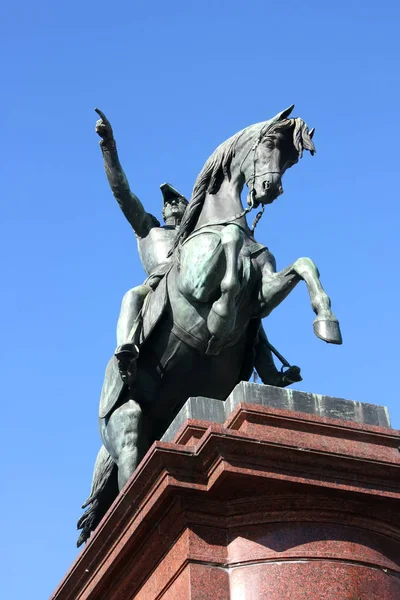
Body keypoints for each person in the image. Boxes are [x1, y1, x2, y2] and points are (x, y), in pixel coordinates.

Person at [95, 108, 301, 387]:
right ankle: (128, 349)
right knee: (132, 295)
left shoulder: (202, 231)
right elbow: (122, 192)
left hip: (205, 271)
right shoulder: (149, 229)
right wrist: (109, 149)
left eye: (177, 201)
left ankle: (268, 370)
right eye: (167, 203)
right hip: (162, 282)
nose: (171, 206)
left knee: (248, 301)